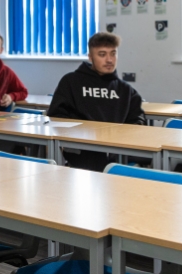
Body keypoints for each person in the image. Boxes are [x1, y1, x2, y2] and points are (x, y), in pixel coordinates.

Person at [47, 32, 145, 171]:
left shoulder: (126, 90)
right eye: (102, 54)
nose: (109, 60)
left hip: (117, 150)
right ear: (90, 57)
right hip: (81, 148)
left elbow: (138, 120)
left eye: (113, 53)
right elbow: (56, 115)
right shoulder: (71, 82)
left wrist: (122, 136)